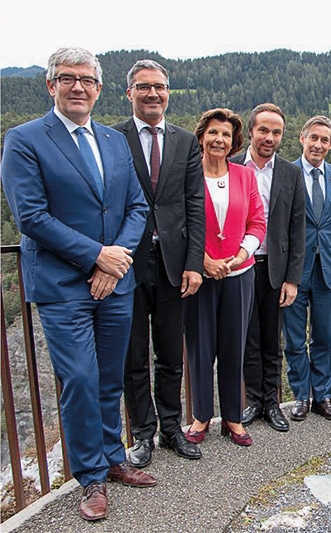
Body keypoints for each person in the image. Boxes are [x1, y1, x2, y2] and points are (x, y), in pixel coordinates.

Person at [1, 47, 153, 521]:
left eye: (87, 79)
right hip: (63, 286)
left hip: (115, 283)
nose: (78, 87)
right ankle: (89, 476)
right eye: (67, 78)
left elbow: (136, 207)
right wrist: (95, 256)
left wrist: (113, 261)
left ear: (99, 88)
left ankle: (112, 457)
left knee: (109, 378)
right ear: (51, 85)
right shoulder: (25, 139)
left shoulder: (114, 140)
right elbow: (31, 217)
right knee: (80, 380)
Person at [113, 59, 204, 468]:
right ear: (129, 92)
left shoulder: (185, 142)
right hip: (127, 262)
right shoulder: (112, 138)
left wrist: (194, 262)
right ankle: (143, 434)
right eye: (144, 87)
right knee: (134, 356)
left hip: (173, 263)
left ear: (168, 93)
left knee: (170, 353)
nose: (153, 93)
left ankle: (171, 427)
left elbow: (195, 204)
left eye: (160, 87)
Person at [183, 108, 266, 447]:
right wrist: (203, 261)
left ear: (234, 142)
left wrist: (242, 255)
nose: (219, 139)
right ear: (202, 136)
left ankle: (233, 416)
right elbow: (179, 223)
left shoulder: (245, 176)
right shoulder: (188, 174)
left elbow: (257, 222)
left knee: (234, 347)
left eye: (226, 135)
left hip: (238, 274)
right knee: (200, 348)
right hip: (199, 276)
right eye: (214, 133)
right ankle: (201, 415)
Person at [230, 103, 305, 432]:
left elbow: (297, 229)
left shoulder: (290, 173)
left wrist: (292, 279)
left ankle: (272, 403)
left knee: (272, 340)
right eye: (263, 130)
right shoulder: (232, 165)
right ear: (250, 132)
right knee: (248, 338)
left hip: (275, 268)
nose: (270, 137)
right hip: (240, 266)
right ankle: (254, 401)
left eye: (276, 132)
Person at [285, 115, 331, 422]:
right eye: (313, 138)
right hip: (294, 272)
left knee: (325, 337)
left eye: (325, 140)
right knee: (294, 338)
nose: (318, 144)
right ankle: (300, 395)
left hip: (330, 271)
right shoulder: (287, 173)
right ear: (302, 138)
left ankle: (322, 395)